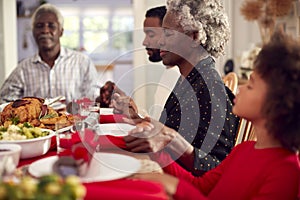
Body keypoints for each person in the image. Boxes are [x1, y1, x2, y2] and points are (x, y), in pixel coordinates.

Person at [134, 29, 300, 200]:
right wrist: (158, 150)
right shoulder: (243, 150)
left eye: (250, 86)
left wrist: (174, 186)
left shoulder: (286, 172)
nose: (240, 89)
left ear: (278, 102)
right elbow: (201, 186)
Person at [118, 0, 240, 176]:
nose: (159, 41)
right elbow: (170, 130)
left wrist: (172, 141)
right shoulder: (189, 79)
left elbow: (219, 168)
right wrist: (136, 118)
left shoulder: (210, 88)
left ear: (193, 37)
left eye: (167, 34)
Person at [0, 3, 100, 104]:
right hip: (35, 120)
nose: (45, 30)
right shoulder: (22, 69)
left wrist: (106, 97)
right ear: (33, 32)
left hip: (75, 120)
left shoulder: (82, 62)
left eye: (51, 26)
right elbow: (3, 102)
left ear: (61, 31)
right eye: (39, 26)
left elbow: (94, 98)